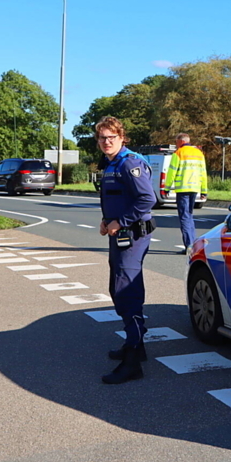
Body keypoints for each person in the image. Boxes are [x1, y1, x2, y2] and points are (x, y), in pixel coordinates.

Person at [96, 116, 156, 384]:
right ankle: (136, 346)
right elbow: (116, 197)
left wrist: (120, 221)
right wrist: (106, 220)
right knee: (117, 287)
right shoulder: (111, 162)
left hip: (131, 235)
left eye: (111, 137)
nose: (106, 142)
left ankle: (132, 362)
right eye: (102, 138)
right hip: (119, 233)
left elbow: (147, 199)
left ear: (122, 137)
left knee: (126, 291)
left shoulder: (129, 163)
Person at [166, 133, 208, 254]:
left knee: (184, 217)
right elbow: (203, 173)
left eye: (176, 142)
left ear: (181, 142)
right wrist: (204, 191)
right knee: (189, 216)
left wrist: (167, 188)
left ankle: (189, 246)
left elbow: (171, 172)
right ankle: (193, 245)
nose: (175, 144)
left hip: (182, 190)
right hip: (194, 189)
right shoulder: (199, 153)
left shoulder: (179, 153)